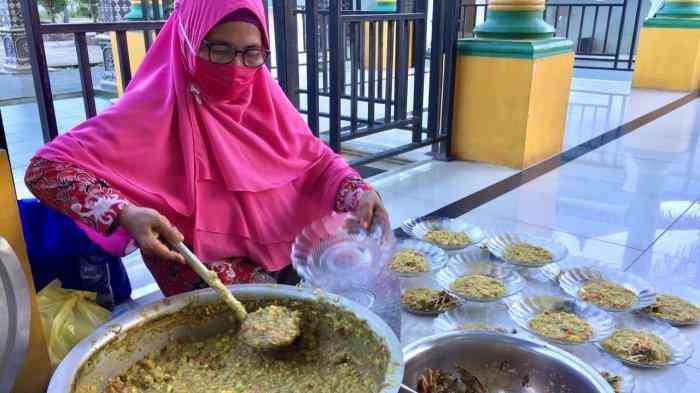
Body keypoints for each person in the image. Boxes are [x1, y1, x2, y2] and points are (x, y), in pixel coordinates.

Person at [25, 0, 388, 297]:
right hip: (204, 273)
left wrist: (357, 192)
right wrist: (123, 213)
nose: (236, 68)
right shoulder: (147, 112)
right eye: (218, 50)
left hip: (286, 259)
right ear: (186, 41)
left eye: (251, 53)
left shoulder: (264, 98)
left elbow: (314, 160)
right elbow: (44, 169)